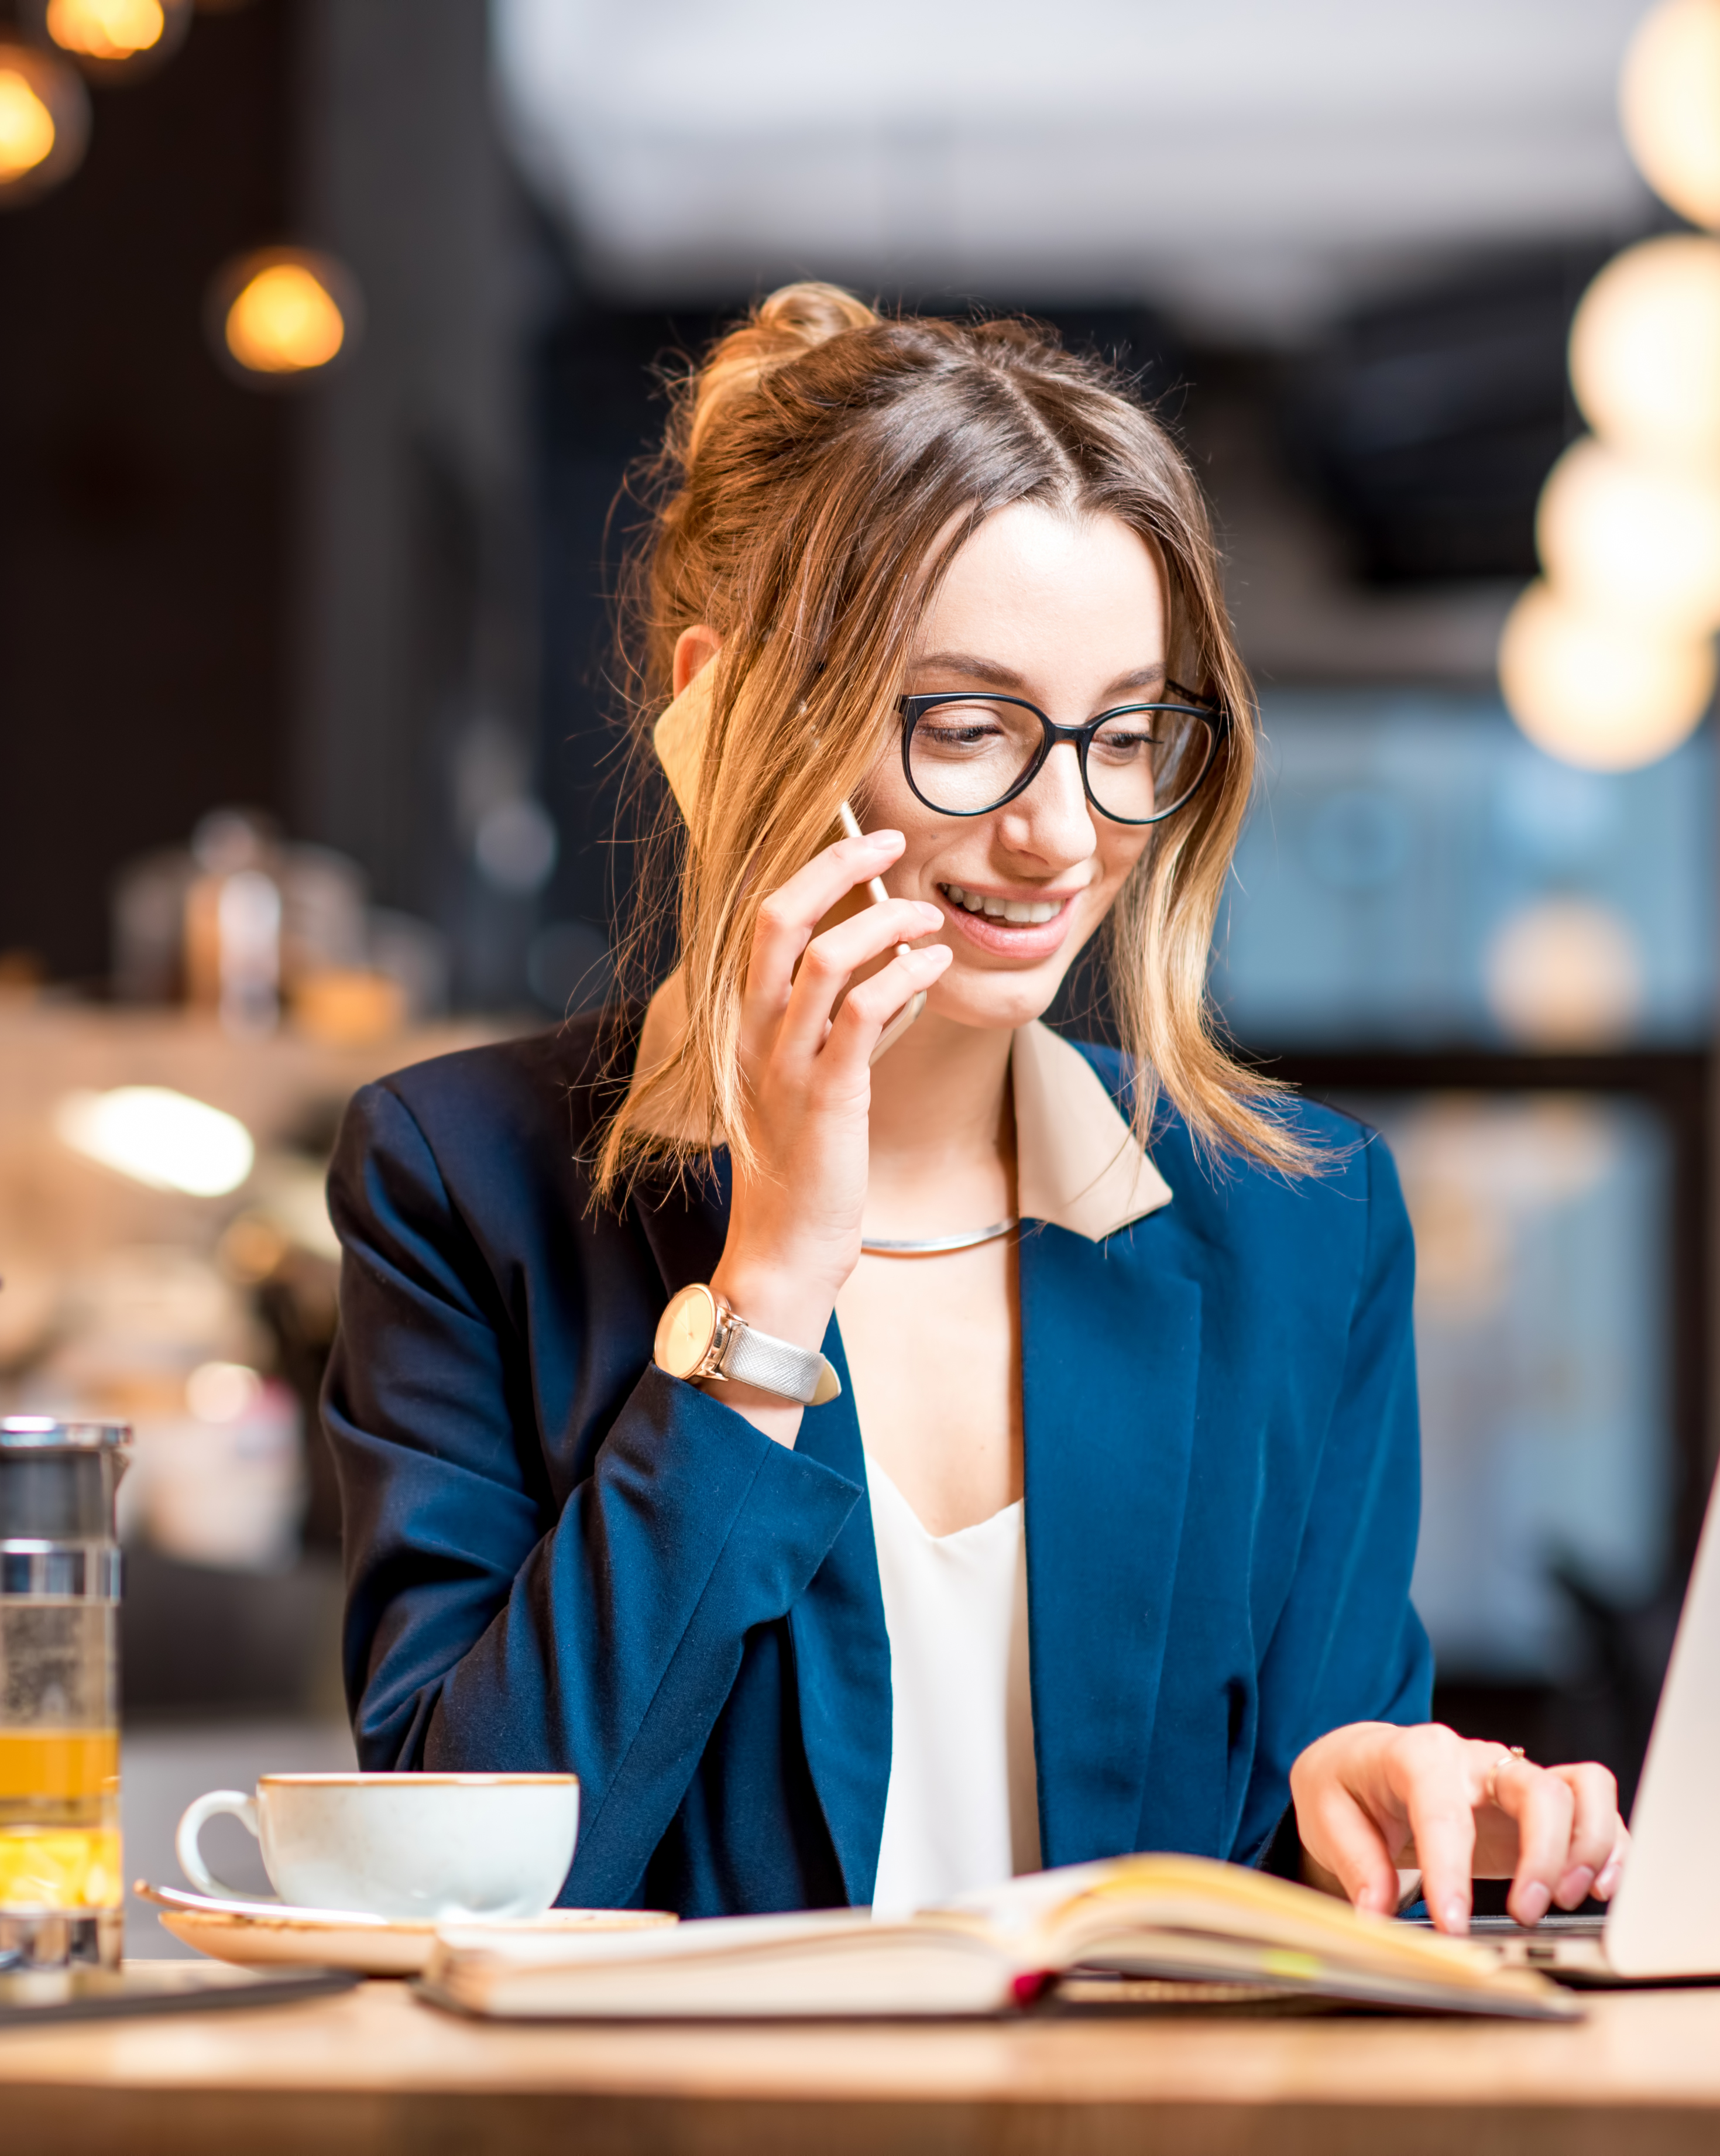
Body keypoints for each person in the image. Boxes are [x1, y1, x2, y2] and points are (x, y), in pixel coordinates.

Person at [322, 283, 1627, 1933]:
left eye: (1123, 736)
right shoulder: (467, 1185)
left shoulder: (1300, 1230)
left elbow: (1288, 1880)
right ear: (719, 713)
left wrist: (1366, 1814)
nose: (1061, 834)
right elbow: (462, 1879)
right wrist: (772, 1285)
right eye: (966, 727)